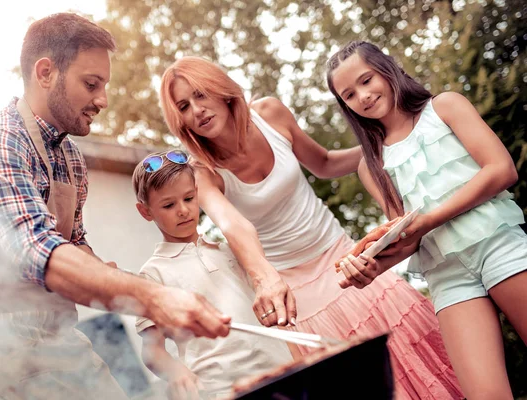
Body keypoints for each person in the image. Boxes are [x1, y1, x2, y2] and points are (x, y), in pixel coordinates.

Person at [0, 14, 230, 400]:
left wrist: (131, 281)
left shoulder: (71, 158)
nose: (102, 100)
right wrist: (154, 297)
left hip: (54, 330)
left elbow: (72, 243)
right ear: (45, 72)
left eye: (103, 85)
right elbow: (38, 251)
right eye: (91, 84)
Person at [158, 56, 464, 399]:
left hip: (346, 260)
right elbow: (234, 224)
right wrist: (265, 278)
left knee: (423, 360)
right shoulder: (202, 171)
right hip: (294, 292)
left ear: (222, 91)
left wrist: (386, 141)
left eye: (201, 95)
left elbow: (323, 163)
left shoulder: (270, 114)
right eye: (184, 106)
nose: (196, 110)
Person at [326, 40, 527, 399]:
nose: (363, 96)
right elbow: (410, 236)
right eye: (349, 94)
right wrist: (372, 266)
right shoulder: (371, 166)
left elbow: (501, 169)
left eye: (366, 80)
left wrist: (431, 218)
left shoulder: (445, 106)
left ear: (387, 69)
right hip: (448, 276)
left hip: (499, 246)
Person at [132, 150, 293, 399]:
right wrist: (176, 372)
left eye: (189, 198)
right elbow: (152, 350)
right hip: (220, 389)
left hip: (279, 370)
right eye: (169, 205)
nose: (183, 210)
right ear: (146, 212)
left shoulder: (230, 249)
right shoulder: (152, 274)